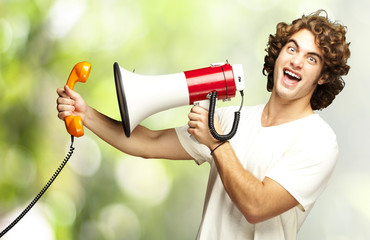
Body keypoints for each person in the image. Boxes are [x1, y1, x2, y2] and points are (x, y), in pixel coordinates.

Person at [56, 9, 350, 240]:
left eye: (312, 59)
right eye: (292, 49)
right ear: (278, 54)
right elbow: (149, 144)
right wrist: (86, 114)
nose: (297, 61)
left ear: (323, 76)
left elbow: (257, 206)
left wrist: (216, 143)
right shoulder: (228, 119)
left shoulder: (318, 140)